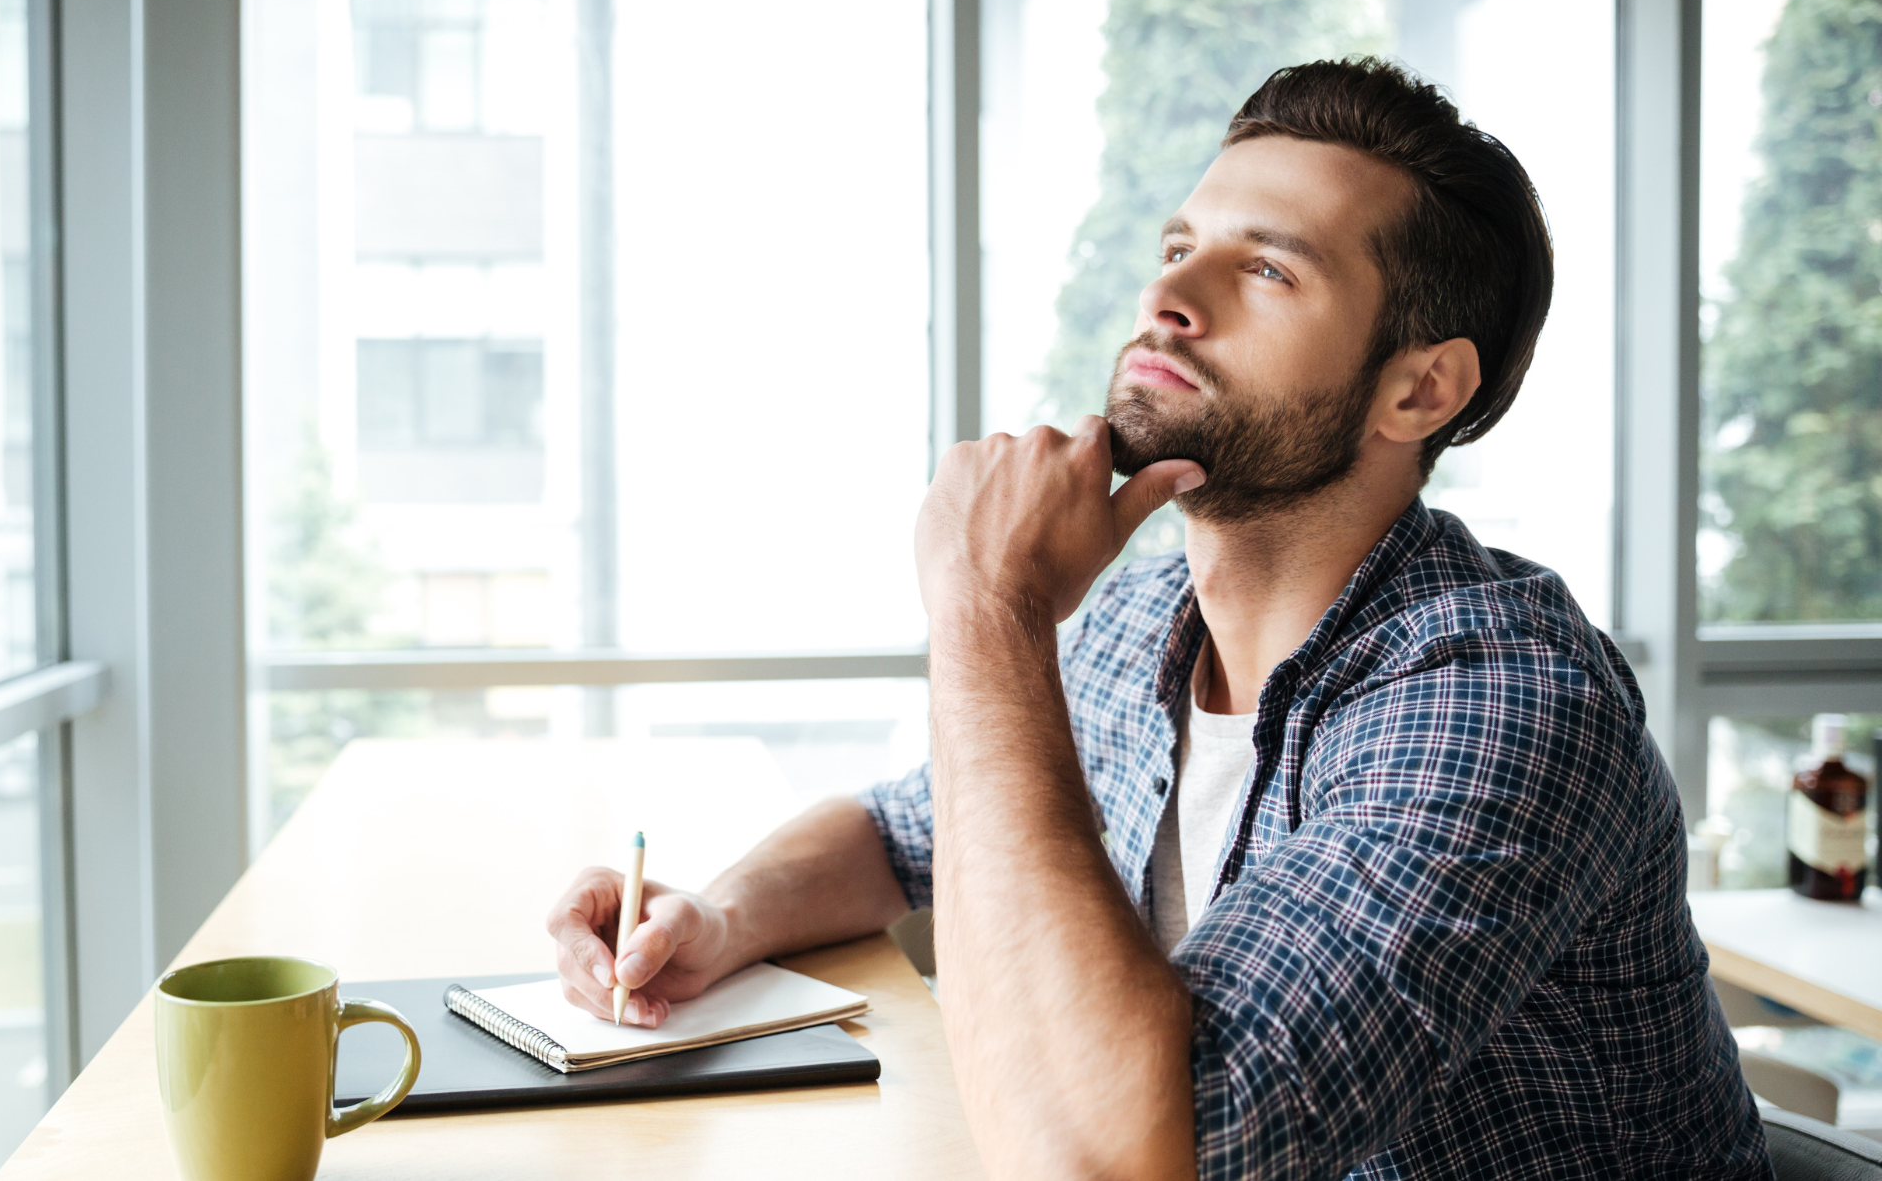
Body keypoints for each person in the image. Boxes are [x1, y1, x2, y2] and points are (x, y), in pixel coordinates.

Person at [544, 58, 1768, 1180]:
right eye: (1180, 245)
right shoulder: (1146, 614)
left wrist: (986, 610)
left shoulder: (1496, 700)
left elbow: (1119, 1159)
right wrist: (717, 918)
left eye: (1267, 269)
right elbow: (903, 833)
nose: (1168, 294)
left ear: (1417, 389)